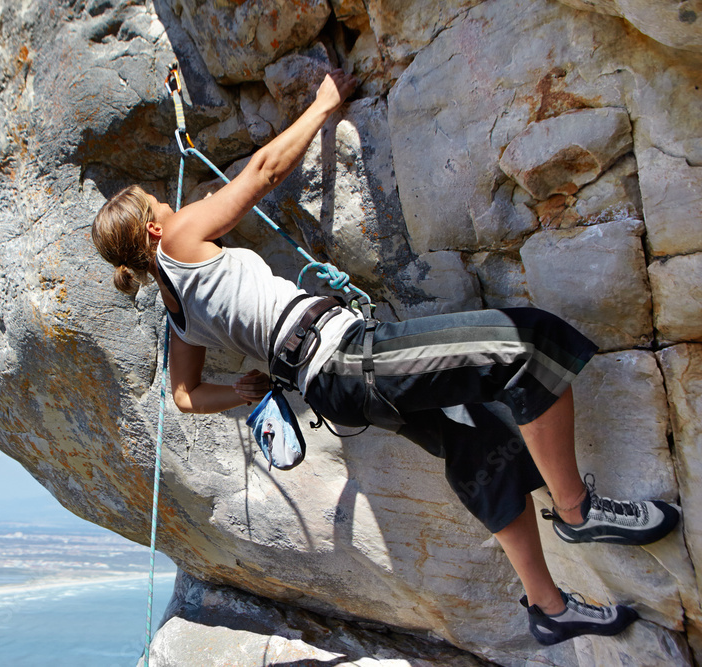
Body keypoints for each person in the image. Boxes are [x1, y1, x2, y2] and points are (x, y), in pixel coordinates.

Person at [90, 69, 681, 646]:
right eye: (156, 205)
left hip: (328, 384)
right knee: (525, 345)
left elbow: (184, 396)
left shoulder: (177, 315)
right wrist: (323, 105)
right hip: (344, 359)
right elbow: (264, 172)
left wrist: (244, 393)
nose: (169, 206)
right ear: (150, 230)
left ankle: (549, 610)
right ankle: (578, 511)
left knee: (473, 439)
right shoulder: (181, 237)